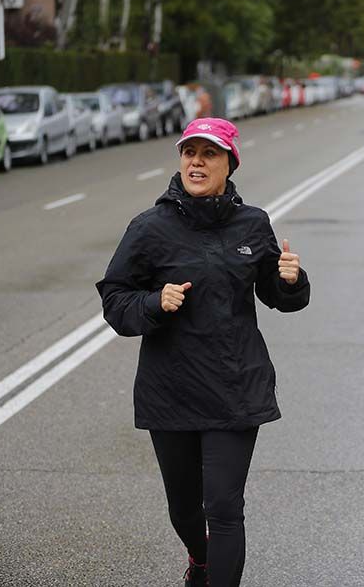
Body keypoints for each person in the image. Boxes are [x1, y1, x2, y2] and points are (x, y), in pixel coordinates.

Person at [97, 118, 311, 586]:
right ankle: (200, 558)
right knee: (184, 508)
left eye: (208, 153)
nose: (196, 161)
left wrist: (290, 279)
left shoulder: (252, 223)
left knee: (225, 508)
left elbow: (276, 295)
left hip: (236, 386)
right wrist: (154, 302)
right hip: (170, 389)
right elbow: (115, 300)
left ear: (229, 163)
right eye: (189, 152)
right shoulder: (150, 228)